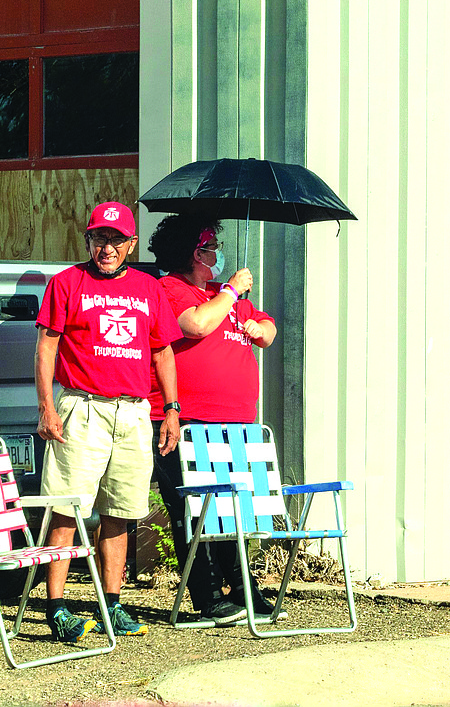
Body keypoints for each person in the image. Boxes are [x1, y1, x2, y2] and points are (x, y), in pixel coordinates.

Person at [35, 201, 183, 643]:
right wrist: (46, 406)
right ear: (89, 240)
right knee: (66, 507)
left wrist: (172, 409)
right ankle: (56, 607)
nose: (108, 247)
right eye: (101, 238)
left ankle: (111, 604)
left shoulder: (149, 288)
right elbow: (47, 348)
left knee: (120, 510)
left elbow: (163, 352)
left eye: (117, 240)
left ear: (131, 244)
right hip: (82, 407)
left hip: (134, 411)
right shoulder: (67, 283)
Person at [147, 214, 278, 624]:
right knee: (195, 509)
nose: (216, 254)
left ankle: (243, 588)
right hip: (189, 420)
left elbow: (269, 332)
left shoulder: (228, 299)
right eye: (210, 247)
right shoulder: (171, 288)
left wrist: (259, 326)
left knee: (233, 508)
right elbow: (196, 324)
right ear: (193, 253)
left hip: (236, 420)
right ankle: (206, 595)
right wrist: (231, 290)